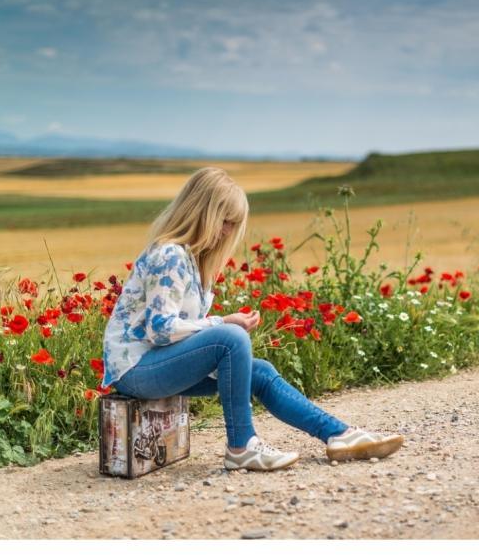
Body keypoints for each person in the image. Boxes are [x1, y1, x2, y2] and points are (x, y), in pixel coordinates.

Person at [100, 166, 404, 472]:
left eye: (234, 224)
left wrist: (220, 330)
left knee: (259, 371)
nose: (228, 232)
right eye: (226, 222)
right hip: (136, 369)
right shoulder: (170, 256)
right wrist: (222, 324)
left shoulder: (192, 261)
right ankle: (241, 446)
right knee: (231, 338)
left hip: (160, 364)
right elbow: (160, 330)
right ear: (202, 214)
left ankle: (339, 434)